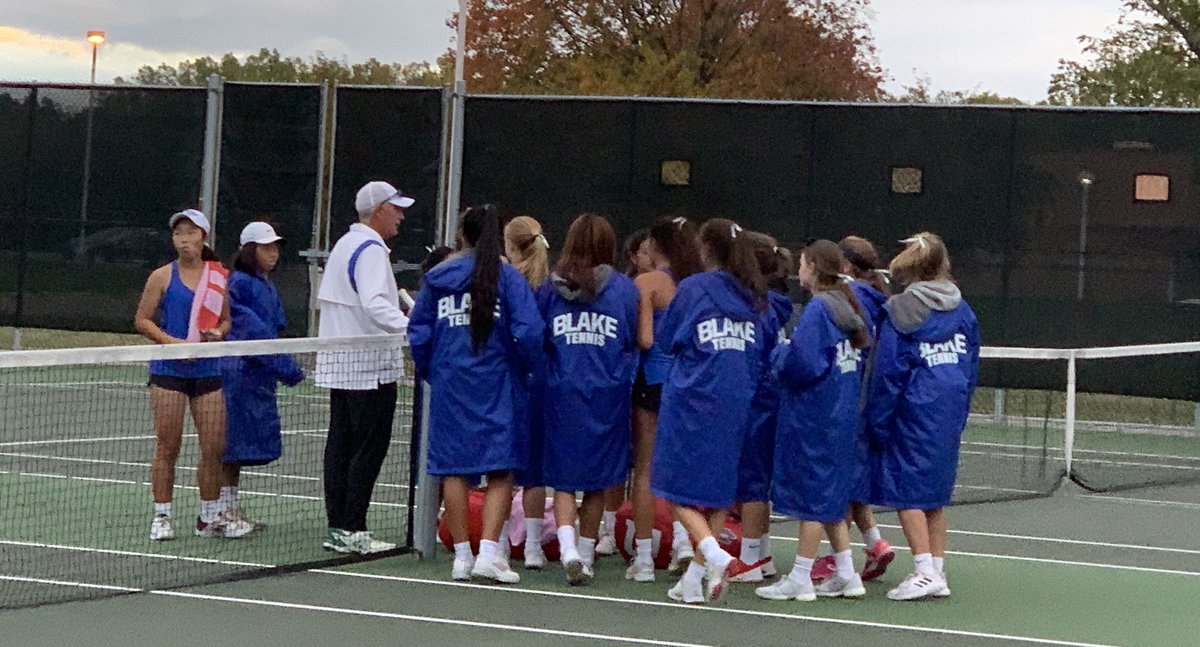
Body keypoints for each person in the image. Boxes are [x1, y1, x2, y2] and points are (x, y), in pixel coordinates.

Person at [408, 204, 544, 584]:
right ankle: (488, 554)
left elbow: (419, 332)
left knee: (454, 468)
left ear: (462, 236)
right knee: (501, 467)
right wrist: (523, 366)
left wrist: (434, 370)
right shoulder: (508, 279)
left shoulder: (437, 278)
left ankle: (462, 558)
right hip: (498, 382)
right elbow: (530, 332)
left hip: (452, 382)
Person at [653, 218, 764, 605]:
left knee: (670, 484)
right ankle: (694, 580)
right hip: (736, 398)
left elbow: (667, 339)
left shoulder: (694, 288)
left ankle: (714, 554)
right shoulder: (751, 294)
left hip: (693, 398)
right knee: (718, 493)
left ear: (705, 249)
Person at [866, 232, 979, 601]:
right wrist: (961, 410)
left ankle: (925, 570)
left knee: (907, 492)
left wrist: (877, 420)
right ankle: (936, 569)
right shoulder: (963, 310)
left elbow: (888, 372)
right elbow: (971, 366)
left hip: (913, 409)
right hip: (949, 408)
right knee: (934, 496)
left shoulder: (901, 310)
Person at [755, 239, 870, 603]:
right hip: (840, 416)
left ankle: (800, 577)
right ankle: (848, 575)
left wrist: (779, 354)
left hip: (817, 417)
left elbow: (802, 364)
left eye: (803, 264)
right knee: (830, 497)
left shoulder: (820, 309)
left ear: (814, 268)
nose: (799, 270)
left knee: (812, 499)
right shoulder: (845, 305)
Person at [135, 209, 251, 540]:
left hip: (208, 371)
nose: (184, 239)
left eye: (190, 232)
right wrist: (173, 344)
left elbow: (225, 320)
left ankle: (209, 517)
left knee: (214, 447)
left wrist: (218, 332)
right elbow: (142, 320)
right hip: (169, 370)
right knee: (168, 446)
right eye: (178, 233)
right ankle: (162, 516)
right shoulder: (161, 276)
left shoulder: (217, 278)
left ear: (203, 237)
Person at [537, 214, 639, 586]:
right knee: (598, 480)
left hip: (561, 393)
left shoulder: (549, 290)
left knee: (564, 480)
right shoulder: (624, 290)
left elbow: (537, 338)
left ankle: (568, 549)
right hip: (608, 395)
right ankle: (585, 552)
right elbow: (631, 339)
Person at [315, 181, 411, 555]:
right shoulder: (369, 249)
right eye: (396, 208)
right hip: (368, 370)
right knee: (366, 449)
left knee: (341, 446)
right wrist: (414, 327)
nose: (401, 216)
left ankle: (340, 526)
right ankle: (352, 527)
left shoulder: (346, 244)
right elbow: (374, 303)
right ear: (379, 211)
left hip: (345, 366)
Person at [807, 236, 896, 583]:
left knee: (839, 484)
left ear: (844, 266)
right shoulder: (876, 298)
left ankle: (836, 559)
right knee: (852, 480)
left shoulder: (849, 300)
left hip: (850, 399)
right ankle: (875, 543)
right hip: (863, 399)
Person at [627, 217, 703, 583]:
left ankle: (644, 558)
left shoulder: (647, 282)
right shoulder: (699, 283)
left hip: (654, 379)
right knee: (681, 466)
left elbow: (645, 338)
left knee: (645, 468)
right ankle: (684, 544)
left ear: (656, 246)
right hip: (689, 381)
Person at [219, 222, 306, 528]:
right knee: (230, 447)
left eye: (275, 247)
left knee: (240, 448)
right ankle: (222, 510)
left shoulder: (267, 285)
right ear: (249, 250)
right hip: (238, 375)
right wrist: (287, 368)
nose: (273, 253)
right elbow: (252, 332)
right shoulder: (239, 283)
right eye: (265, 247)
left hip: (258, 377)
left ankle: (230, 507)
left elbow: (272, 330)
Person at [729, 233, 794, 583]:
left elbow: (752, 358)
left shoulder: (760, 311)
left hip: (758, 402)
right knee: (755, 480)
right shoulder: (773, 306)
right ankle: (762, 555)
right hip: (768, 400)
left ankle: (750, 559)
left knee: (752, 482)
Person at [504, 215, 553, 570]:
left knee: (503, 467)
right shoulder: (550, 289)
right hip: (540, 382)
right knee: (534, 468)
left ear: (511, 245)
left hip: (513, 380)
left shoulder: (507, 284)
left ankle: (499, 545)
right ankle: (533, 547)